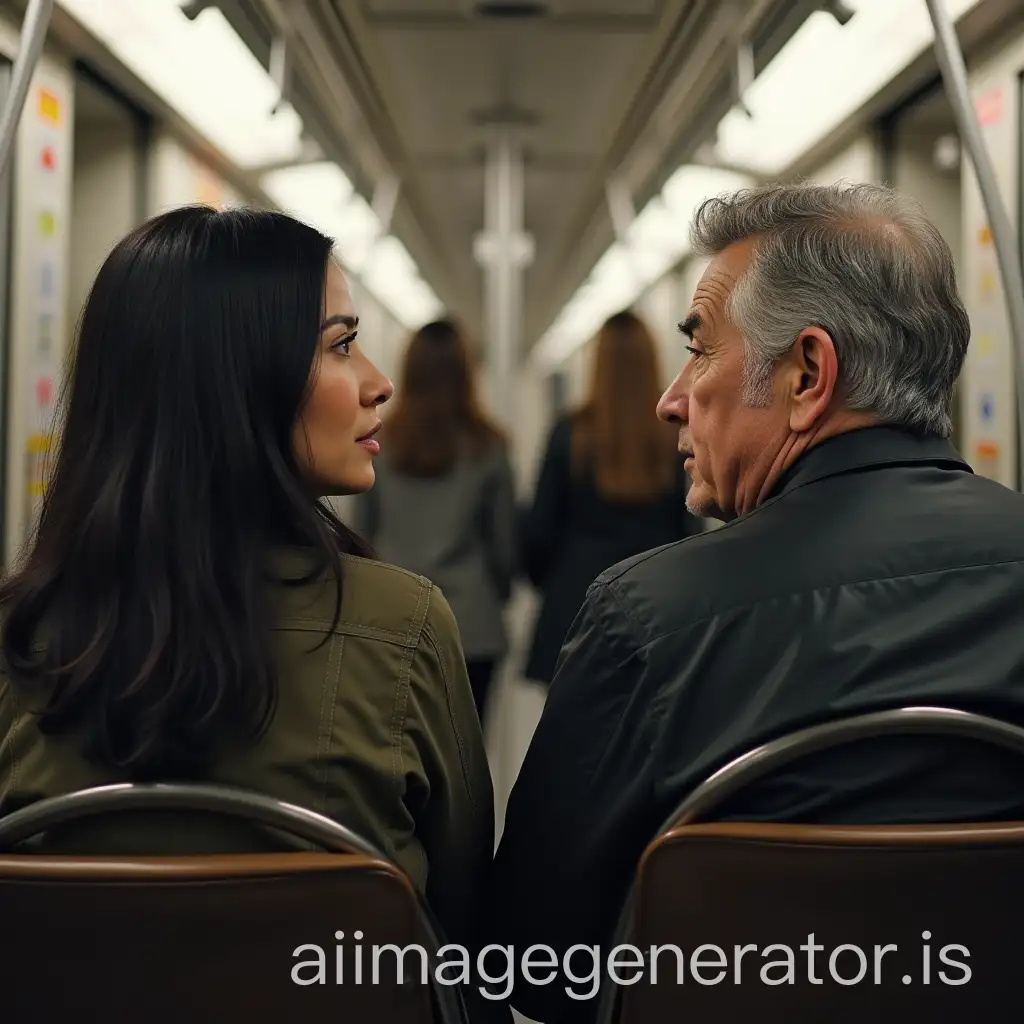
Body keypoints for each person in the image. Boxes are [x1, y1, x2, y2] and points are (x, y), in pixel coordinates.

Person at [487, 181, 1024, 1023]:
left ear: (808, 374)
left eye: (700, 350)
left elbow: (534, 956)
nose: (672, 397)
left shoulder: (648, 619)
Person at [0, 206, 494, 957]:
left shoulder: (18, 645)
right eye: (343, 346)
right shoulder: (403, 629)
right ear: (238, 378)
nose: (379, 382)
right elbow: (464, 928)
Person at [352, 318, 516, 725]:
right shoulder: (489, 446)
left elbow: (361, 536)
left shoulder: (379, 442)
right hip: (471, 627)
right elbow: (504, 549)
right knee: (468, 753)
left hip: (389, 619)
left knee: (395, 751)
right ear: (466, 374)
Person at [521, 309, 697, 686]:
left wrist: (551, 582)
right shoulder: (674, 436)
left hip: (575, 608)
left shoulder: (569, 433)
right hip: (656, 606)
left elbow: (539, 532)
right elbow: (688, 528)